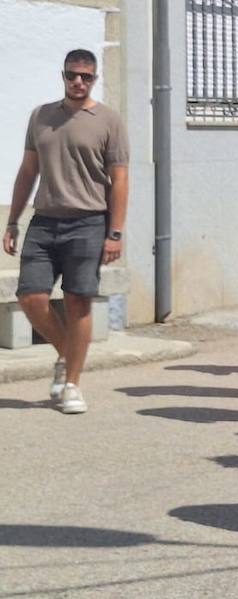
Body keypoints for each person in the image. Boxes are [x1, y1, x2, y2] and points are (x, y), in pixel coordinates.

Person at [5, 49, 128, 415]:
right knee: (31, 298)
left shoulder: (108, 120)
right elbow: (28, 172)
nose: (79, 82)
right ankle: (66, 352)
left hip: (88, 222)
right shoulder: (41, 116)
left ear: (95, 78)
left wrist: (115, 232)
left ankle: (72, 383)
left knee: (78, 302)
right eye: (73, 75)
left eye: (86, 76)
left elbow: (119, 179)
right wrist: (12, 221)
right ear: (63, 75)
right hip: (43, 221)